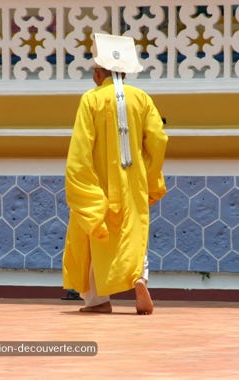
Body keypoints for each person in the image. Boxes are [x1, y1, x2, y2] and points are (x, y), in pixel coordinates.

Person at [62, 33, 168, 315]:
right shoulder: (141, 99)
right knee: (135, 233)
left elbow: (80, 148)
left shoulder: (91, 100)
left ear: (99, 73)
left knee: (95, 235)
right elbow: (158, 139)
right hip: (133, 182)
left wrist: (81, 185)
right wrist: (150, 175)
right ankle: (139, 278)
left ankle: (98, 301)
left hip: (99, 183)